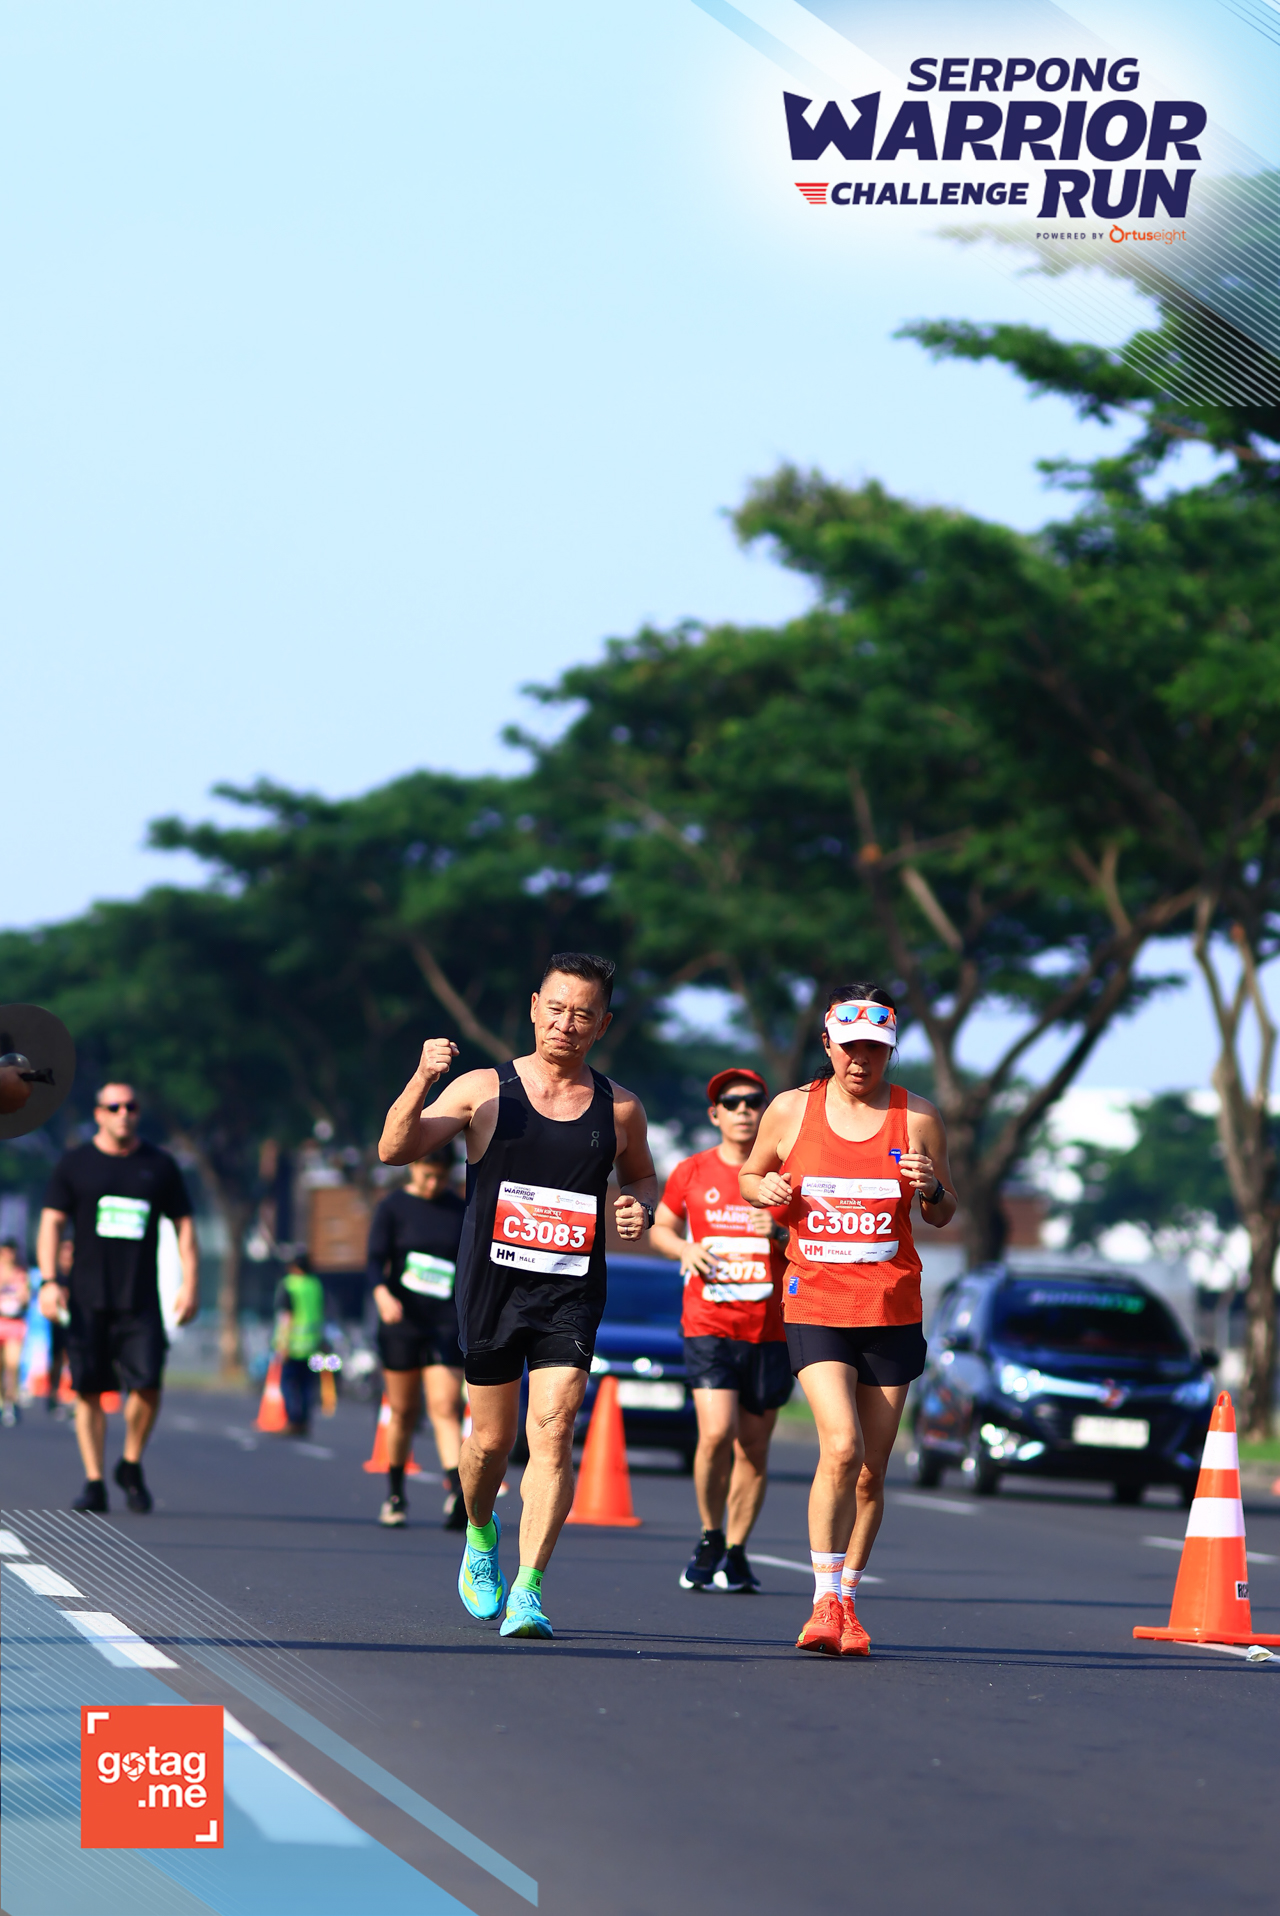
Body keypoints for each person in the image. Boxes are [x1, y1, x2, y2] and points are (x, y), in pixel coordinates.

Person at [379, 952, 658, 1640]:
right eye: (555, 1008)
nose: (566, 1024)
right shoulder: (484, 1090)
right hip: (491, 1289)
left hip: (571, 1290)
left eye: (583, 1014)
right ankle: (480, 1531)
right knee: (490, 1442)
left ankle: (529, 1589)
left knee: (554, 1430)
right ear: (534, 1008)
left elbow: (641, 1178)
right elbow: (394, 1149)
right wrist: (422, 1077)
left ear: (603, 1025)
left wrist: (638, 1208)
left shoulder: (620, 1107)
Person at [740, 986, 957, 1657]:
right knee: (841, 1447)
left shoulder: (917, 1117)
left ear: (891, 1050)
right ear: (828, 1044)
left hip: (890, 1308)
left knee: (871, 1470)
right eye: (850, 1047)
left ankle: (849, 1601)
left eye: (875, 1049)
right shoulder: (791, 1109)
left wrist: (931, 1188)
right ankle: (822, 1602)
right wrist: (764, 1187)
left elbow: (944, 1213)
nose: (861, 1060)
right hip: (816, 1301)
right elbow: (750, 1175)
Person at [649, 1069, 791, 1594]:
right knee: (715, 1434)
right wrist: (684, 1248)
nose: (743, 1110)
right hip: (709, 1323)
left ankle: (736, 1551)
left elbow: (817, 1240)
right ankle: (710, 1535)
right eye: (732, 1103)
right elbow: (660, 1228)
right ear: (715, 1114)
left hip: (771, 1330)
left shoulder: (786, 1175)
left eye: (753, 1101)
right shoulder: (692, 1170)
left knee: (754, 1447)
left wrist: (779, 1232)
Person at [37, 1082, 199, 1513]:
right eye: (114, 1107)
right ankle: (94, 1480)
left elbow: (185, 1227)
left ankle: (130, 1462)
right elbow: (51, 1223)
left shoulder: (159, 1165)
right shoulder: (75, 1164)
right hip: (87, 1298)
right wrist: (49, 1281)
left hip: (141, 1299)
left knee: (148, 1384)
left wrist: (190, 1285)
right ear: (99, 1114)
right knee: (88, 1389)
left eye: (131, 1106)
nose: (123, 1113)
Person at [367, 1150, 467, 1530]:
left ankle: (456, 1492)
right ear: (414, 1168)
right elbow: (374, 1261)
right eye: (427, 1175)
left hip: (445, 1321)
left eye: (441, 1177)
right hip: (402, 1321)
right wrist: (382, 1295)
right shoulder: (392, 1207)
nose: (433, 1183)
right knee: (404, 1411)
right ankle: (395, 1494)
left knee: (445, 1406)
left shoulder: (459, 1210)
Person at [272, 1252, 327, 1437]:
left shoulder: (289, 1285)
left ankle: (293, 1420)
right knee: (307, 1386)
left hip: (293, 1347)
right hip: (313, 1346)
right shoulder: (315, 1285)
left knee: (288, 1385)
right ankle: (304, 1421)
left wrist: (282, 1345)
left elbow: (286, 1318)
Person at [0, 1239, 31, 1426]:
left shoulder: (21, 1274)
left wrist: (21, 1294)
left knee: (12, 1364)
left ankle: (11, 1401)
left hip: (15, 1323)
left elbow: (26, 1299)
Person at [46, 1234, 74, 1414]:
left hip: (76, 1323)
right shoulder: (55, 1276)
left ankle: (73, 1396)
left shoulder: (79, 1273)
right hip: (58, 1323)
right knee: (57, 1359)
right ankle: (52, 1393)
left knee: (74, 1359)